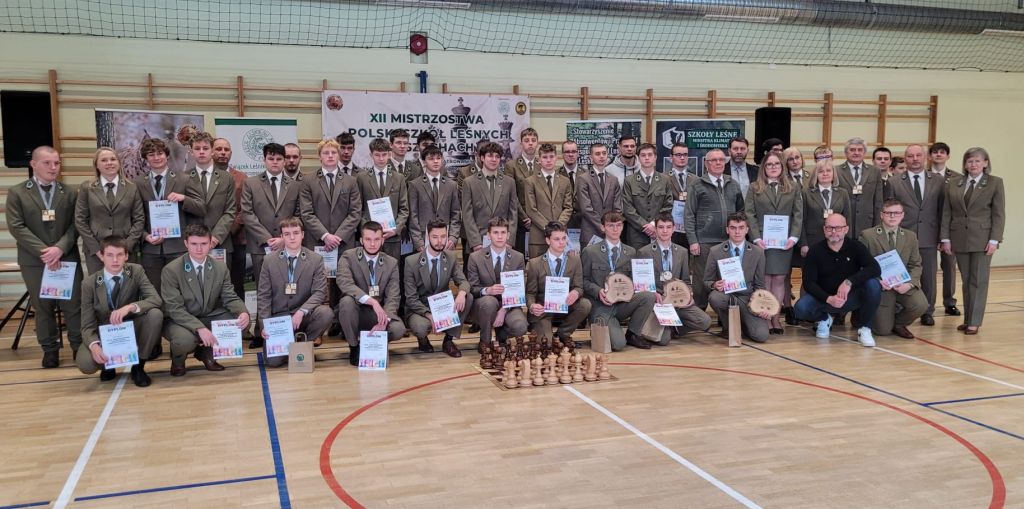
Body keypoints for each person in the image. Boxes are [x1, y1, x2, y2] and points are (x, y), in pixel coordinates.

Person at [6, 146, 83, 368]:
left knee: (73, 305)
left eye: (56, 163)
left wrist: (59, 248)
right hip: (35, 261)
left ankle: (78, 346)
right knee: (43, 307)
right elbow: (16, 226)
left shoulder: (70, 192)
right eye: (47, 163)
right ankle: (50, 349)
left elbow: (76, 224)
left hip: (66, 257)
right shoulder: (17, 192)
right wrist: (45, 251)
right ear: (33, 164)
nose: (53, 167)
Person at [161, 224, 251, 376]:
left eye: (203, 244)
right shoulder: (171, 270)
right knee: (184, 341)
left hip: (208, 314)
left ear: (210, 243)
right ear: (186, 244)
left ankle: (206, 354)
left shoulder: (220, 267)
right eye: (194, 244)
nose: (199, 249)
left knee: (241, 323)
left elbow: (229, 296)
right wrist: (199, 328)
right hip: (179, 319)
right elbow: (174, 309)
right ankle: (178, 361)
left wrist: (243, 312)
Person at [78, 235, 163, 386]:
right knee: (86, 363)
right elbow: (86, 325)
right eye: (110, 255)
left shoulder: (136, 271)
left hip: (131, 327)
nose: (115, 260)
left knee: (155, 314)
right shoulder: (89, 284)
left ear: (126, 256)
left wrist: (130, 307)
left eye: (119, 255)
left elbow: (155, 299)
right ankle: (107, 365)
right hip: (105, 333)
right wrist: (94, 345)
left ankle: (138, 366)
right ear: (102, 256)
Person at [241, 142, 302, 345]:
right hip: (261, 246)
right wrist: (267, 238)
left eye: (279, 159)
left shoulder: (295, 185)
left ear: (284, 160)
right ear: (264, 160)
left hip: (287, 246)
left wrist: (284, 239)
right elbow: (247, 214)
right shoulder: (251, 183)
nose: (275, 162)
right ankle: (261, 331)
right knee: (263, 289)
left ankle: (283, 330)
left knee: (285, 288)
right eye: (271, 159)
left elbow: (299, 214)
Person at [940, 147, 1005, 335]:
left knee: (979, 281)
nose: (973, 164)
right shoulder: (954, 183)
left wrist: (994, 240)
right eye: (970, 161)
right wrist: (945, 238)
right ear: (965, 164)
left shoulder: (994, 183)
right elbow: (947, 212)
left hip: (983, 240)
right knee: (967, 281)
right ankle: (968, 319)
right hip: (958, 238)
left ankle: (974, 322)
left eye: (977, 160)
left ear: (985, 163)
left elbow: (999, 214)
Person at [794, 213, 881, 346]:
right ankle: (824, 319)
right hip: (825, 299)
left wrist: (849, 282)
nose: (834, 232)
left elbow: (875, 268)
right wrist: (829, 298)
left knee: (873, 284)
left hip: (850, 298)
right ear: (824, 230)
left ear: (846, 229)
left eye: (838, 228)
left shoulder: (856, 246)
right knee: (801, 308)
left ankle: (865, 328)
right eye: (830, 228)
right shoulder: (815, 251)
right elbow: (808, 283)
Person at [256, 218, 332, 367]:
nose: (292, 237)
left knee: (325, 313)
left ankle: (303, 343)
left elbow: (319, 292)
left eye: (296, 233)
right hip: (279, 319)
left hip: (304, 316)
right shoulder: (269, 261)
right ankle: (289, 343)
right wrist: (264, 324)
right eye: (287, 234)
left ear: (302, 234)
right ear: (282, 237)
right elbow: (263, 295)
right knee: (273, 363)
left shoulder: (316, 259)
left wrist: (301, 311)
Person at [134, 138, 204, 293]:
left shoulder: (184, 179)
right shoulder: (137, 183)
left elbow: (201, 208)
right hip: (150, 248)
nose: (156, 157)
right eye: (151, 154)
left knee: (181, 291)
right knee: (154, 292)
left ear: (167, 155)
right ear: (145, 158)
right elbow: (134, 216)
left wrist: (183, 198)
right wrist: (145, 236)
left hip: (178, 247)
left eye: (160, 153)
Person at [580, 211, 659, 350]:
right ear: (603, 227)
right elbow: (583, 280)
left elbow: (636, 280)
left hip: (622, 304)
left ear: (623, 227)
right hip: (601, 306)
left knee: (648, 296)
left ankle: (633, 333)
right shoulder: (590, 251)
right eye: (611, 226)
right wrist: (598, 291)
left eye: (618, 225)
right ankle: (601, 326)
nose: (615, 229)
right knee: (618, 345)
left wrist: (647, 287)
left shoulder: (631, 252)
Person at [743, 152, 803, 334]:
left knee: (779, 279)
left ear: (782, 166)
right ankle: (766, 318)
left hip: (784, 242)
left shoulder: (793, 187)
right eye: (769, 164)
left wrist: (794, 237)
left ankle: (776, 318)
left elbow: (798, 214)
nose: (773, 167)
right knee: (766, 279)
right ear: (764, 168)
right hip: (763, 242)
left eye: (777, 163)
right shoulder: (755, 188)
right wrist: (756, 238)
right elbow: (749, 214)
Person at [887, 144, 944, 326]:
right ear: (905, 159)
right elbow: (889, 210)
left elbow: (943, 211)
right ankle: (899, 309)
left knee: (929, 276)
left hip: (930, 235)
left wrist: (943, 237)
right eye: (910, 156)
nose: (915, 159)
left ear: (925, 158)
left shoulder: (938, 180)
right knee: (901, 275)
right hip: (903, 237)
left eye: (918, 155)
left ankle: (928, 311)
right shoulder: (894, 181)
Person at [336, 222, 407, 365]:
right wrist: (372, 301)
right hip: (355, 311)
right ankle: (354, 347)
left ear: (382, 240)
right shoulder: (348, 256)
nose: (372, 244)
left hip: (377, 314)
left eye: (376, 239)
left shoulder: (391, 263)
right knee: (346, 302)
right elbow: (345, 283)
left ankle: (373, 343)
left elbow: (393, 296)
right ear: (361, 240)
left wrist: (384, 320)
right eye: (368, 239)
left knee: (398, 329)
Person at [684, 148, 745, 310]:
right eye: (714, 160)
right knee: (702, 279)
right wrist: (693, 241)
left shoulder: (733, 184)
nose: (718, 163)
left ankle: (725, 315)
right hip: (704, 242)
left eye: (721, 160)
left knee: (727, 278)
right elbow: (689, 214)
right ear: (706, 164)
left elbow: (741, 212)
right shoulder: (697, 185)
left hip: (728, 241)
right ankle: (699, 313)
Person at [858, 200, 928, 339]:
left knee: (921, 305)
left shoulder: (910, 236)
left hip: (903, 284)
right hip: (882, 287)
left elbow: (916, 264)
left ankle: (899, 323)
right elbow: (861, 265)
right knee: (883, 331)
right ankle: (880, 316)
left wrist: (909, 284)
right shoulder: (867, 235)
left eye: (896, 213)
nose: (892, 216)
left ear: (902, 215)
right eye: (888, 213)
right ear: (881, 215)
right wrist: (877, 281)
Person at [637, 213, 711, 343]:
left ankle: (674, 329)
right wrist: (652, 294)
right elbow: (641, 283)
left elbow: (686, 280)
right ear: (656, 230)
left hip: (677, 301)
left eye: (668, 227)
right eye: (661, 227)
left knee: (705, 321)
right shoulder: (644, 252)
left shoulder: (682, 252)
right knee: (663, 340)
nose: (665, 231)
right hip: (658, 302)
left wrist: (689, 294)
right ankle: (666, 327)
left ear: (673, 229)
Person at [404, 219, 473, 357]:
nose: (440, 241)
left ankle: (448, 341)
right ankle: (423, 339)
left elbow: (464, 282)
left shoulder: (451, 257)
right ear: (427, 237)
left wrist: (461, 293)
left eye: (443, 236)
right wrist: (430, 316)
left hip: (442, 306)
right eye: (435, 237)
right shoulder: (411, 261)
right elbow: (411, 299)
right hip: (420, 308)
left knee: (468, 297)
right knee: (421, 327)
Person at [75, 147, 145, 274]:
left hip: (126, 251)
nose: (109, 163)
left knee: (127, 285)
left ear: (119, 162)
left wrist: (126, 247)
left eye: (113, 159)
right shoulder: (87, 188)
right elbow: (80, 220)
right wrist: (97, 249)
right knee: (100, 285)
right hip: (97, 253)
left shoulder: (131, 187)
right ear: (96, 165)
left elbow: (139, 219)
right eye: (104, 160)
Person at [704, 212, 771, 343]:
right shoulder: (715, 251)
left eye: (741, 228)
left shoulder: (758, 252)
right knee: (715, 297)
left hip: (747, 299)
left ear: (747, 230)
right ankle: (729, 327)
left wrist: (761, 304)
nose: (737, 232)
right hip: (726, 296)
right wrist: (714, 285)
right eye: (733, 228)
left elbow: (760, 285)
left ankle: (743, 324)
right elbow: (706, 281)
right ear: (727, 230)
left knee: (761, 336)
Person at [466, 218, 529, 346]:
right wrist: (487, 290)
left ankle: (502, 335)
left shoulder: (518, 257)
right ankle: (485, 342)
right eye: (495, 233)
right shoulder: (475, 257)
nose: (500, 237)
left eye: (503, 232)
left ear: (508, 235)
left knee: (520, 326)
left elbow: (518, 291)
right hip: (483, 305)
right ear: (488, 235)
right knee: (490, 302)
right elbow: (472, 288)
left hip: (509, 305)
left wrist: (503, 310)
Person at [526, 222, 592, 342]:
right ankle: (548, 335)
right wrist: (532, 306)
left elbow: (579, 287)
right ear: (548, 240)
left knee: (585, 304)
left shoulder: (575, 260)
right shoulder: (534, 263)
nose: (561, 242)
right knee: (547, 344)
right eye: (556, 239)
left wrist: (576, 293)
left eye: (564, 238)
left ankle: (562, 334)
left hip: (565, 306)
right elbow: (530, 293)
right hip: (543, 310)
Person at [299, 138, 363, 254]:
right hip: (317, 241)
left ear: (338, 155)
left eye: (333, 152)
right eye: (326, 153)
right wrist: (325, 236)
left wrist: (338, 237)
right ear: (319, 156)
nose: (330, 156)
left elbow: (355, 213)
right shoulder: (307, 181)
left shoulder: (351, 181)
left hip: (343, 242)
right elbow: (306, 213)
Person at [186, 132, 237, 268]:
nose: (201, 152)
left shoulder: (226, 178)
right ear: (191, 152)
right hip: (193, 243)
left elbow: (230, 211)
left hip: (220, 242)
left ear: (212, 151)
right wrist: (195, 239)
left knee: (221, 281)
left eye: (205, 148)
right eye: (197, 148)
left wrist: (215, 238)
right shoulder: (183, 178)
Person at [461, 141, 519, 258]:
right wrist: (475, 242)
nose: (494, 159)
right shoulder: (469, 182)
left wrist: (509, 240)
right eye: (490, 156)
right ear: (482, 158)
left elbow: (513, 213)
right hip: (478, 243)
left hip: (503, 241)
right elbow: (467, 215)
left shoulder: (509, 182)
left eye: (497, 156)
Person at [356, 138, 410, 261]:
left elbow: (404, 209)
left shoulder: (399, 178)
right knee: (369, 269)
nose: (381, 158)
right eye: (377, 155)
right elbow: (358, 208)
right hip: (369, 237)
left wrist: (395, 229)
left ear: (389, 154)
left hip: (392, 237)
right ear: (371, 155)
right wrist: (367, 230)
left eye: (384, 154)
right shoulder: (362, 178)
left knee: (392, 269)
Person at [213, 138, 249, 299]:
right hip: (208, 240)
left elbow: (245, 209)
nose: (222, 153)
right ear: (211, 152)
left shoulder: (242, 178)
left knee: (236, 284)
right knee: (213, 284)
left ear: (231, 153)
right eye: (218, 149)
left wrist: (225, 232)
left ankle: (240, 315)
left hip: (236, 239)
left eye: (226, 150)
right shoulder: (203, 177)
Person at [408, 145, 461, 252]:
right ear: (424, 161)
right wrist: (418, 242)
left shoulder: (451, 185)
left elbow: (456, 214)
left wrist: (453, 237)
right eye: (431, 159)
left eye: (438, 158)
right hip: (423, 239)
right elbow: (413, 216)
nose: (435, 161)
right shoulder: (415, 185)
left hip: (446, 239)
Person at [524, 143, 574, 258]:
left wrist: (558, 227)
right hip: (538, 237)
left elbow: (568, 207)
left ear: (556, 158)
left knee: (560, 267)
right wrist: (549, 228)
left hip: (560, 236)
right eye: (545, 157)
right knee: (537, 268)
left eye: (551, 157)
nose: (548, 160)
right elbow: (531, 210)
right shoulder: (530, 181)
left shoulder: (565, 181)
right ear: (539, 160)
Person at [622, 143, 673, 250]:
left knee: (658, 260)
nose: (647, 158)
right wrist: (646, 227)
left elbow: (668, 205)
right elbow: (628, 209)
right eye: (643, 155)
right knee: (638, 260)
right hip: (636, 234)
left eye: (650, 155)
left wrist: (654, 224)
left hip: (659, 232)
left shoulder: (665, 180)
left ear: (655, 157)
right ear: (638, 158)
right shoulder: (629, 181)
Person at [929, 141, 960, 317]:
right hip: (927, 227)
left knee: (949, 266)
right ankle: (927, 305)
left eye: (942, 152)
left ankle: (949, 302)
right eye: (935, 152)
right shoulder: (923, 175)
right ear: (930, 156)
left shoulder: (957, 177)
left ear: (948, 156)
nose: (938, 154)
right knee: (928, 269)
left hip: (949, 228)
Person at [800, 159, 851, 260]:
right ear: (816, 174)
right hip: (813, 241)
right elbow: (801, 220)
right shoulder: (806, 193)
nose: (825, 174)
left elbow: (847, 219)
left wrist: (847, 241)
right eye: (821, 171)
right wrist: (803, 243)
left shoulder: (843, 193)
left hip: (837, 240)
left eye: (828, 171)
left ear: (833, 173)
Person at [835, 137, 883, 237]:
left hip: (867, 223)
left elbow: (878, 202)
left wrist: (878, 225)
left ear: (864, 152)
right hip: (843, 223)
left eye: (860, 150)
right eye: (852, 150)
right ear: (846, 152)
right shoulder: (836, 171)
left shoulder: (875, 171)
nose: (856, 153)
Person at [576, 142, 622, 247]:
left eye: (604, 153)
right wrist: (602, 226)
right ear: (590, 158)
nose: (601, 156)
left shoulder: (613, 180)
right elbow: (586, 209)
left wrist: (611, 226)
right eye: (597, 154)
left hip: (611, 232)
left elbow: (618, 208)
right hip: (590, 232)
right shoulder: (583, 179)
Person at [503, 128, 540, 254]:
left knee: (539, 260)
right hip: (519, 221)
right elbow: (511, 195)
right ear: (521, 144)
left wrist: (536, 218)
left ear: (537, 143)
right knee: (519, 258)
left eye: (533, 140)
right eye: (526, 140)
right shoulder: (511, 166)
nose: (530, 143)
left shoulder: (542, 165)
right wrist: (525, 217)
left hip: (539, 221)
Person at [667, 142, 698, 248]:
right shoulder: (663, 178)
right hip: (670, 227)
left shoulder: (696, 179)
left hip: (690, 228)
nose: (682, 158)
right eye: (678, 155)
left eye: (685, 154)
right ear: (671, 157)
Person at [558, 140, 583, 232]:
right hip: (562, 223)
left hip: (583, 222)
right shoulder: (556, 175)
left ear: (578, 153)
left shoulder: (586, 175)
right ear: (562, 154)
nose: (571, 154)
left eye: (573, 151)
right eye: (567, 152)